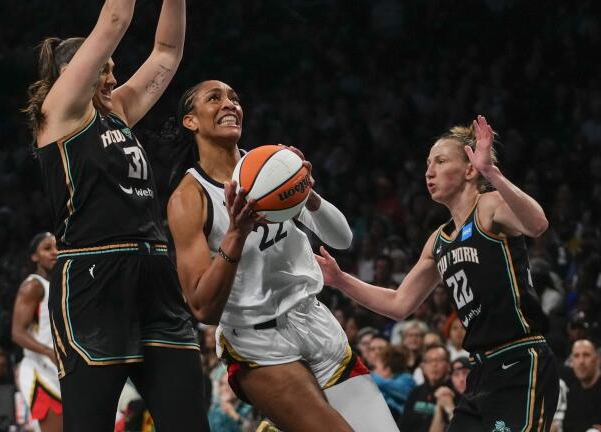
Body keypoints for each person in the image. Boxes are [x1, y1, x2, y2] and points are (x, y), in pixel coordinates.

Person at [23, 0, 206, 431]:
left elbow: (168, 53)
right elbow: (113, 23)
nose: (110, 72)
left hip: (153, 268)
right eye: (100, 67)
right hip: (92, 274)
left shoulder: (117, 112)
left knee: (187, 421)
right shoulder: (58, 115)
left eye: (109, 67)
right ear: (66, 78)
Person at [166, 80, 399, 431]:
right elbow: (203, 307)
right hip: (257, 341)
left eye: (235, 98)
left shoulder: (272, 168)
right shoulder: (189, 197)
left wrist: (307, 190)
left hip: (315, 321)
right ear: (191, 121)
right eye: (215, 99)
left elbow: (343, 239)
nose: (230, 104)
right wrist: (236, 234)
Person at [318, 116, 559, 431]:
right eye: (428, 163)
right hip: (480, 371)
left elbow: (537, 224)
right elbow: (399, 304)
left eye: (441, 161)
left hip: (522, 360)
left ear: (470, 170)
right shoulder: (438, 240)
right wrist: (339, 279)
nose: (429, 171)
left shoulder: (490, 206)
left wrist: (492, 173)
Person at [12, 232, 62, 432]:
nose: (55, 252)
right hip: (40, 370)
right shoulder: (33, 286)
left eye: (57, 247)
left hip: (58, 369)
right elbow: (17, 332)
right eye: (47, 248)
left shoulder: (59, 286)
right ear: (35, 257)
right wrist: (49, 352)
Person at [400, 344, 451, 432]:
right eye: (429, 361)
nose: (434, 364)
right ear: (422, 366)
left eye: (439, 360)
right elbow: (403, 425)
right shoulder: (415, 392)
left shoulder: (451, 393)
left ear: (448, 365)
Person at [561, 338, 601, 432]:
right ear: (572, 362)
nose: (581, 361)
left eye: (586, 355)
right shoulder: (571, 392)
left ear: (597, 359)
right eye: (576, 356)